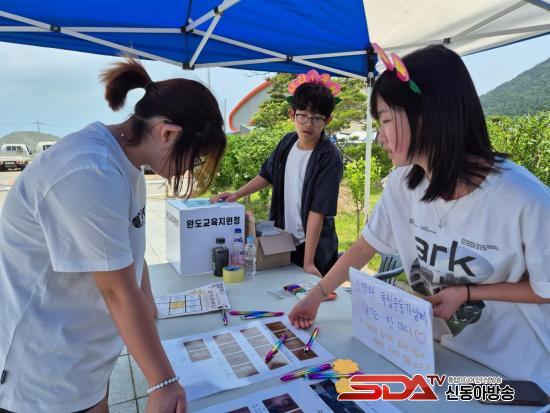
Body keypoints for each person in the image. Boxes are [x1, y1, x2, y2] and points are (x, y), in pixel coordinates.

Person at [289, 45, 550, 391]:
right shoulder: (403, 183)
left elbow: (545, 289)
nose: (380, 136)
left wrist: (467, 292)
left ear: (427, 114)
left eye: (385, 120)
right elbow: (365, 246)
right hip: (445, 355)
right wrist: (316, 295)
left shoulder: (523, 200)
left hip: (517, 377)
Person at [0, 58, 226, 413]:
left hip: (83, 352)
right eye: (194, 158)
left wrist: (149, 308)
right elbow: (116, 291)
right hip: (42, 366)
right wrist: (163, 382)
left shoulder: (126, 165)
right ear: (168, 133)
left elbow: (130, 250)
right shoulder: (89, 171)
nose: (189, 168)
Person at [211, 70, 343, 276]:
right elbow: (267, 174)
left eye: (316, 118)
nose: (308, 124)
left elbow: (318, 211)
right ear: (292, 113)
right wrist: (236, 194)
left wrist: (309, 262)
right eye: (302, 115)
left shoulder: (329, 157)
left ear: (328, 120)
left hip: (313, 248)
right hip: (283, 241)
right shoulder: (287, 143)